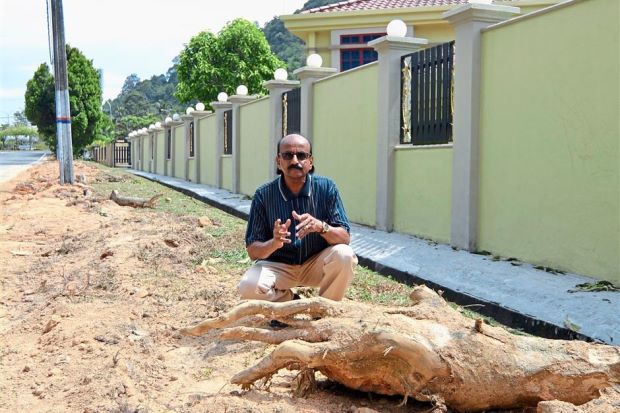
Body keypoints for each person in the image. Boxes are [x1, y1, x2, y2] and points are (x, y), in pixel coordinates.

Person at [238, 133, 358, 302]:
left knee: (344, 255)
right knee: (248, 286)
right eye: (287, 155)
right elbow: (252, 250)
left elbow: (344, 238)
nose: (295, 161)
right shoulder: (263, 195)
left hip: (315, 264)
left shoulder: (326, 188)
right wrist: (274, 243)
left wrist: (321, 226)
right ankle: (290, 302)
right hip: (278, 267)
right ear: (278, 161)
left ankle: (323, 310)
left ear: (310, 161)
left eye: (301, 155)